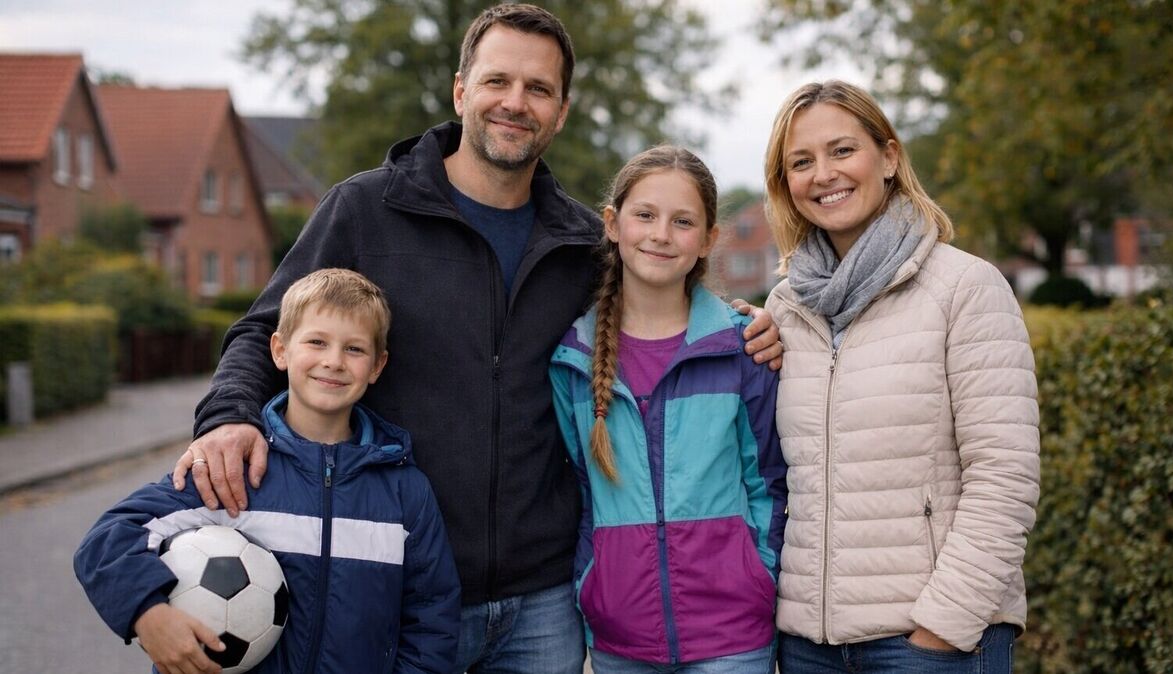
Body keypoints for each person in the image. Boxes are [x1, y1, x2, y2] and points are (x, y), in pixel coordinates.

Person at [169, 5, 783, 672]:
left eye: (538, 89)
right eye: (498, 82)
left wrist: (750, 325)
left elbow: (658, 312)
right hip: (400, 581)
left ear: (561, 111)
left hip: (541, 601)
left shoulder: (580, 244)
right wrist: (229, 417)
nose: (515, 103)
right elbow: (265, 329)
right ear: (462, 90)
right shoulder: (366, 210)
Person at [761, 79, 1041, 673]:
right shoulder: (786, 308)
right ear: (786, 184)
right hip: (809, 646)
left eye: (842, 150)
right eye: (801, 162)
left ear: (888, 158)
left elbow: (1005, 475)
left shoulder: (965, 287)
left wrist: (944, 625)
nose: (824, 174)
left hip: (927, 643)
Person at [75, 268, 460, 674]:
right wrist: (148, 615)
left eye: (354, 349)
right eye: (316, 342)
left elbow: (432, 617)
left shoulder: (404, 491)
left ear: (377, 366)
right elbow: (107, 540)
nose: (333, 361)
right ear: (280, 350)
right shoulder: (230, 469)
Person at [550, 146, 787, 673]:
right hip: (620, 637)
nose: (661, 234)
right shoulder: (573, 360)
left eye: (683, 222)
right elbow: (580, 491)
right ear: (612, 224)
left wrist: (758, 576)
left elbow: (768, 483)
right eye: (645, 215)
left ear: (707, 240)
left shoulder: (742, 348)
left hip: (732, 636)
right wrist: (595, 584)